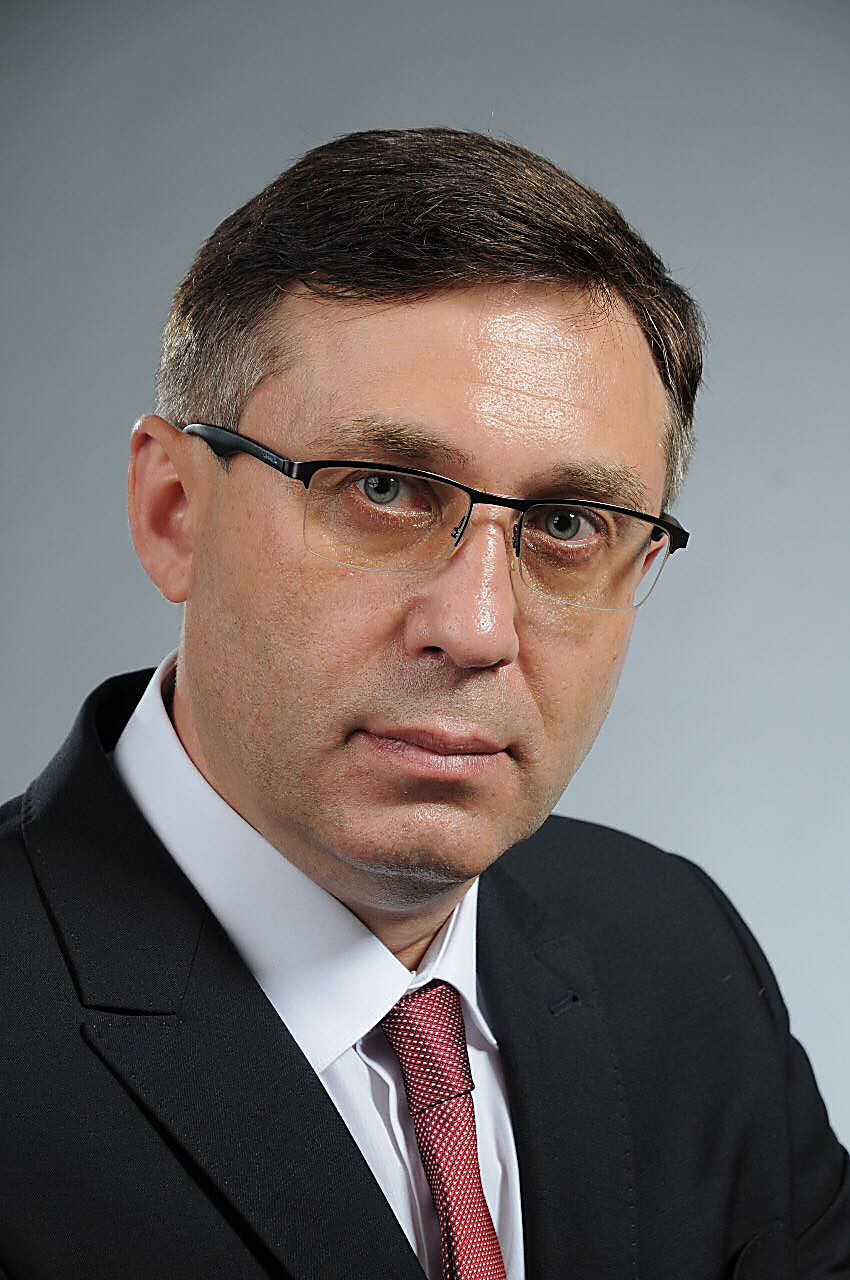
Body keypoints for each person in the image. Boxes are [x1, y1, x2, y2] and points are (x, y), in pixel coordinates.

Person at [1, 128, 847, 1280]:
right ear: (173, 511)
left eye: (567, 523)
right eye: (384, 488)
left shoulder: (677, 954)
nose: (477, 627)